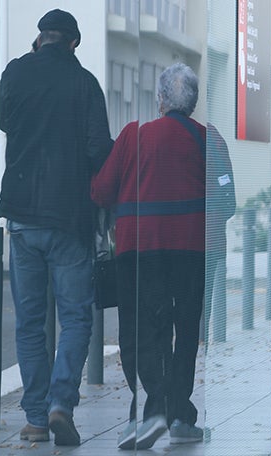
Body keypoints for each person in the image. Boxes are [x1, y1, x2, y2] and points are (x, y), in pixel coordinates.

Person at [0, 9, 114, 446]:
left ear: (40, 39)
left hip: (24, 217)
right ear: (73, 44)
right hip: (69, 218)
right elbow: (99, 149)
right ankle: (61, 404)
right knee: (75, 318)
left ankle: (34, 418)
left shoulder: (16, 72)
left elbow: (6, 120)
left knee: (29, 322)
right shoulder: (84, 84)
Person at [91, 62, 212, 450]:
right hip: (190, 249)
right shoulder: (209, 140)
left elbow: (102, 192)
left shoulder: (133, 136)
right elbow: (226, 198)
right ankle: (177, 414)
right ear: (192, 102)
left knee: (142, 330)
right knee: (185, 331)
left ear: (160, 98)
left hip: (138, 249)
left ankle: (153, 409)